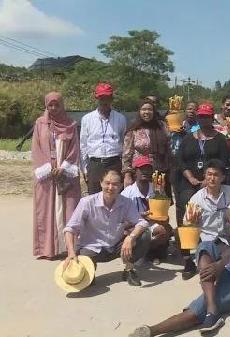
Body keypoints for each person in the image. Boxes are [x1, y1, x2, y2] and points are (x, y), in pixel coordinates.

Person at [129, 217, 230, 337]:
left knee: (196, 312)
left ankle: (151, 331)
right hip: (225, 270)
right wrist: (218, 266)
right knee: (206, 245)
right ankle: (212, 308)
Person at [62, 170, 151, 286]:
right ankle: (90, 271)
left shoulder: (126, 202)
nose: (110, 187)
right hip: (92, 248)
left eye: (115, 184)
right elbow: (70, 229)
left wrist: (131, 238)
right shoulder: (87, 202)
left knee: (145, 235)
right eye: (107, 183)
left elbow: (142, 222)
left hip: (115, 246)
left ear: (120, 186)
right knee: (86, 283)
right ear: (101, 183)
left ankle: (129, 269)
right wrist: (71, 253)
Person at [176, 103, 230, 277]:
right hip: (189, 181)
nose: (204, 119)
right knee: (185, 209)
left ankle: (209, 247)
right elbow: (181, 161)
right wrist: (191, 178)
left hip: (211, 181)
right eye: (201, 116)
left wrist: (207, 180)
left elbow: (224, 162)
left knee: (210, 212)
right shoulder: (188, 138)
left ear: (212, 117)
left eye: (207, 116)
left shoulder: (220, 139)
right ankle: (187, 260)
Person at [32, 92, 81, 259]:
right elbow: (36, 149)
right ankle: (48, 249)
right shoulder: (40, 123)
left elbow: (75, 149)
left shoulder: (71, 124)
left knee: (69, 209)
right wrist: (48, 167)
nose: (53, 108)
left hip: (65, 175)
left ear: (62, 105)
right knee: (46, 211)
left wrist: (64, 167)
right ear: (46, 106)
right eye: (50, 105)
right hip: (47, 176)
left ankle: (69, 248)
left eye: (56, 105)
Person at [184, 159, 230, 280]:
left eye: (216, 175)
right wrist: (193, 222)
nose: (212, 178)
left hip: (226, 239)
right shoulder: (197, 198)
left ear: (223, 177)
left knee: (229, 260)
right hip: (206, 239)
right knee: (206, 261)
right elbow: (186, 223)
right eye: (209, 174)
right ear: (205, 176)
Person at [120, 156, 171, 264]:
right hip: (135, 226)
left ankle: (152, 253)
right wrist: (139, 217)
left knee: (163, 230)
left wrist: (161, 196)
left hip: (153, 224)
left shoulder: (157, 189)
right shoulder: (127, 193)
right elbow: (120, 221)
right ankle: (138, 252)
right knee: (128, 232)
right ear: (135, 171)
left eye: (148, 169)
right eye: (141, 169)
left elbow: (166, 216)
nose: (145, 172)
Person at [80, 82, 127, 194]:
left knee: (115, 197)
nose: (104, 101)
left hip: (114, 162)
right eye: (102, 98)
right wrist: (85, 169)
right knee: (95, 198)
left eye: (107, 98)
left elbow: (125, 144)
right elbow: (83, 145)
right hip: (95, 164)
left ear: (111, 99)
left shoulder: (121, 119)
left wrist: (125, 168)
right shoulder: (87, 119)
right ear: (97, 98)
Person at [122, 98, 170, 188]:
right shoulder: (134, 129)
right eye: (144, 109)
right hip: (140, 173)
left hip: (160, 173)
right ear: (139, 112)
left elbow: (169, 147)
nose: (147, 112)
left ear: (154, 111)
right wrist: (127, 175)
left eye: (150, 109)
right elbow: (127, 154)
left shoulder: (162, 126)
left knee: (159, 200)